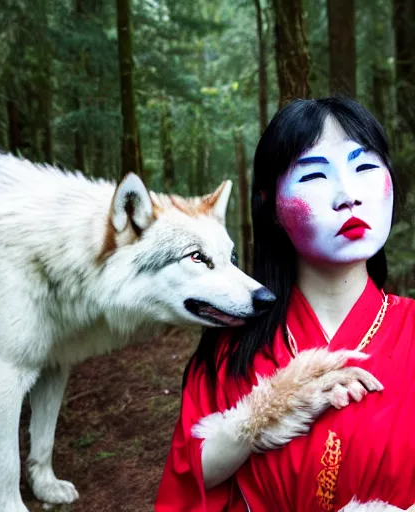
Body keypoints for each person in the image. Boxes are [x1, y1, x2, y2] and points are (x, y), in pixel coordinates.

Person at [155, 97, 415, 512]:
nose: (348, 196)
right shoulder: (233, 349)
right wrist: (262, 415)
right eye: (314, 176)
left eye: (364, 167)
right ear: (271, 205)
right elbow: (188, 479)